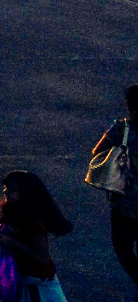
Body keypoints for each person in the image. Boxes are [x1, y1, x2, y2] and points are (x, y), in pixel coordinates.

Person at [87, 84, 138, 293]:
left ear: (129, 105)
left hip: (126, 200)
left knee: (123, 247)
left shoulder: (121, 129)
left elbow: (97, 151)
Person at [0, 170, 73, 301]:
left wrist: (13, 243)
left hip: (37, 281)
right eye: (5, 188)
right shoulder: (11, 212)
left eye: (11, 189)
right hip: (22, 277)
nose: (5, 192)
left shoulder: (34, 222)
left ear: (24, 193)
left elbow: (43, 258)